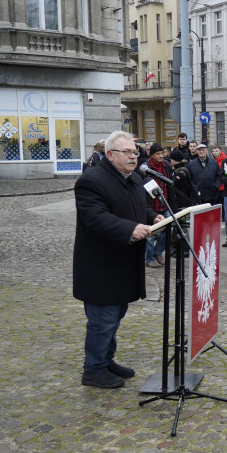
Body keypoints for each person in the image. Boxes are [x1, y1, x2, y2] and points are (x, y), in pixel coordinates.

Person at [72, 130, 162, 388]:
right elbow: (96, 217)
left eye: (135, 152)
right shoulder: (92, 181)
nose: (134, 157)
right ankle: (93, 369)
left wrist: (151, 217)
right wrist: (130, 229)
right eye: (128, 152)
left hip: (124, 262)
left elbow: (137, 208)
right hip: (101, 265)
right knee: (102, 320)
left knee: (115, 316)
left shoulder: (133, 178)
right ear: (110, 155)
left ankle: (105, 360)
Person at [144, 143, 171, 269]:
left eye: (162, 153)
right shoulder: (145, 167)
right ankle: (149, 258)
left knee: (169, 229)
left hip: (164, 204)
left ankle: (158, 252)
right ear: (152, 155)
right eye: (158, 154)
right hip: (150, 206)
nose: (161, 156)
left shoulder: (167, 166)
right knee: (149, 234)